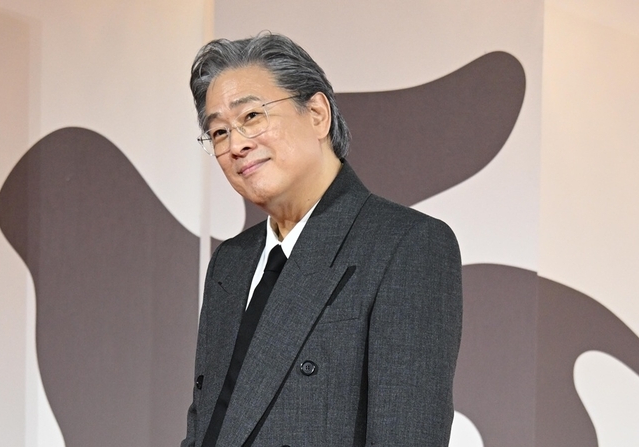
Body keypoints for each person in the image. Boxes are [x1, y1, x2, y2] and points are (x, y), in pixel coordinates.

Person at [182, 32, 462, 447]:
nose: (236, 144)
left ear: (316, 114)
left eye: (251, 116)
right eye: (219, 132)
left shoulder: (405, 245)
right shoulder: (231, 261)